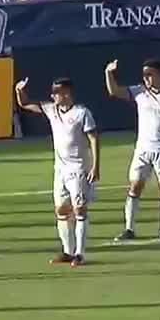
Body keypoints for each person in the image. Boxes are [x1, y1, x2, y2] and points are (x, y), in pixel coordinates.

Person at [105, 59, 160, 243]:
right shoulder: (139, 93)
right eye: (144, 75)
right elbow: (114, 91)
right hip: (142, 149)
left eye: (149, 74)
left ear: (159, 75)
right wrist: (109, 73)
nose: (146, 78)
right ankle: (129, 228)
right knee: (135, 186)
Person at [16, 77, 100, 267]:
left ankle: (80, 254)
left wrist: (96, 166)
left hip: (78, 169)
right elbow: (25, 104)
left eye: (56, 93)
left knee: (80, 210)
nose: (53, 96)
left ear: (67, 94)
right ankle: (68, 252)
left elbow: (94, 138)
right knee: (61, 209)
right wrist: (19, 90)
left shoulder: (82, 113)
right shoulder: (51, 110)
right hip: (60, 170)